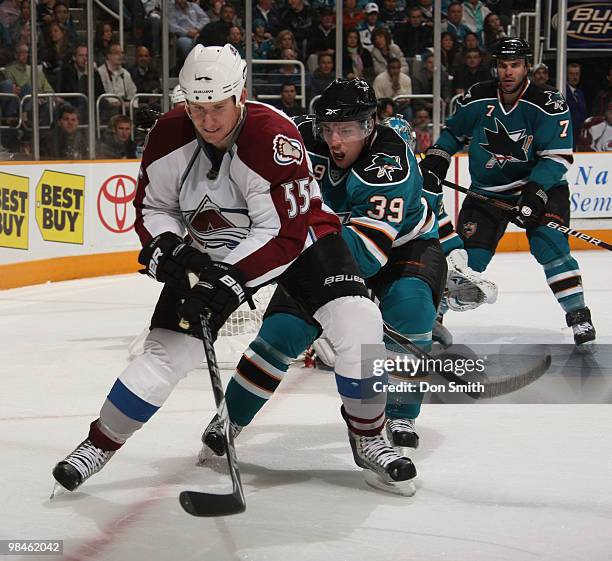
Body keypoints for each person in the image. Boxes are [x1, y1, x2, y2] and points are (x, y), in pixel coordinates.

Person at [51, 45, 414, 497]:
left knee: (358, 320)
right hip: (212, 254)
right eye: (196, 107)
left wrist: (231, 280)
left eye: (217, 107)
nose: (207, 120)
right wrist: (166, 246)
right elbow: (152, 207)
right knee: (165, 354)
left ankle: (369, 435)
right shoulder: (169, 134)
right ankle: (98, 444)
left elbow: (282, 232)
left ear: (240, 95)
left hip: (302, 244)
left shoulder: (273, 137)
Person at [199, 78, 443, 494]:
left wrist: (291, 260)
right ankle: (231, 417)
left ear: (369, 126)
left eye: (346, 129)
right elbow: (240, 126)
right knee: (282, 334)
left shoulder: (390, 163)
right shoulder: (297, 138)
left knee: (411, 308)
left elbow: (366, 254)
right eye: (328, 129)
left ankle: (394, 420)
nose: (334, 140)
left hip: (402, 247)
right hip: (324, 246)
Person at [419, 38, 596, 346]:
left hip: (540, 188)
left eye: (515, 65)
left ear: (527, 66)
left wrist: (536, 192)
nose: (508, 72)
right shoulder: (477, 98)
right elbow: (452, 135)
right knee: (465, 259)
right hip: (488, 192)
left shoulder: (547, 103)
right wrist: (436, 159)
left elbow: (556, 157)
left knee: (551, 247)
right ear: (496, 67)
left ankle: (579, 315)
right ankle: (433, 316)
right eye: (503, 65)